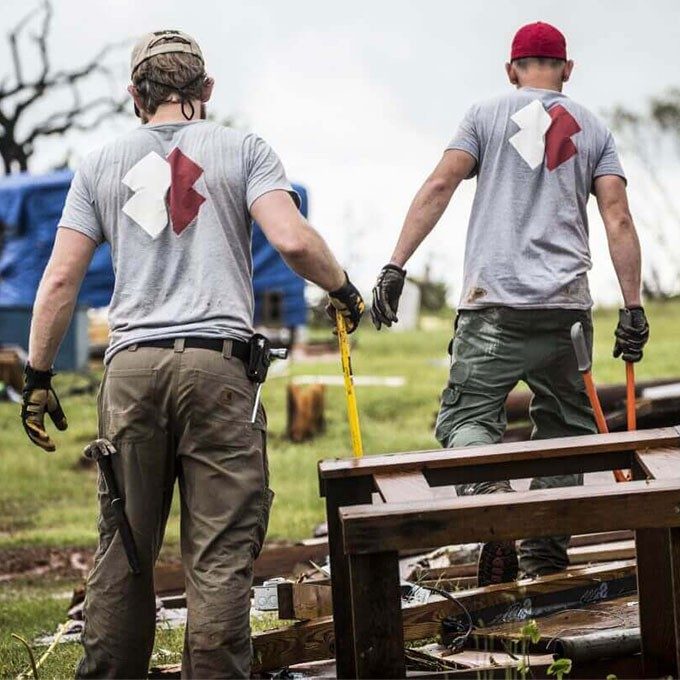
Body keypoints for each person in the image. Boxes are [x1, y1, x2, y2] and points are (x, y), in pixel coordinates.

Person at [20, 30, 364, 679]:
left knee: (123, 549)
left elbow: (60, 280)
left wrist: (38, 376)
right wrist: (343, 288)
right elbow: (290, 240)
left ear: (134, 95)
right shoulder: (243, 149)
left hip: (130, 369)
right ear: (206, 92)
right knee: (220, 554)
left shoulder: (98, 164)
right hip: (218, 365)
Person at [370, 21, 649, 586]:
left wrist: (396, 265)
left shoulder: (483, 115)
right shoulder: (594, 128)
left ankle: (490, 496)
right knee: (569, 432)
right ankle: (543, 554)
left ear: (511, 70)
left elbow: (440, 186)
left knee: (467, 419)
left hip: (491, 304)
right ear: (567, 70)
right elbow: (616, 216)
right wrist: (633, 306)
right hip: (566, 312)